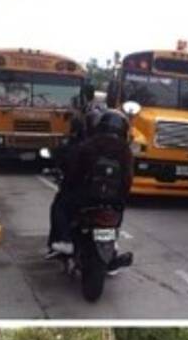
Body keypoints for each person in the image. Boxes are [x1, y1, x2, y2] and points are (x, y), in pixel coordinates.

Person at [46, 109, 133, 258]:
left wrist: (70, 183)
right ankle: (113, 242)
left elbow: (74, 171)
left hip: (86, 198)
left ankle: (64, 240)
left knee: (60, 205)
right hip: (113, 200)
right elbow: (128, 180)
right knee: (119, 210)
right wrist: (120, 197)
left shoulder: (89, 145)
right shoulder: (126, 151)